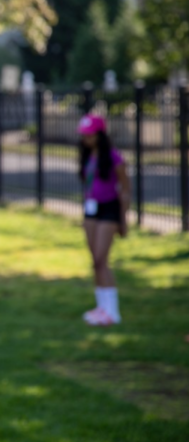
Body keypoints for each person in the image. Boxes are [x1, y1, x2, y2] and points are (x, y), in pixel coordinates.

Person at [78, 114, 130, 326]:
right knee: (94, 261)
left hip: (109, 210)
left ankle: (112, 311)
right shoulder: (88, 156)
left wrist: (123, 219)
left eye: (90, 135)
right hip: (91, 210)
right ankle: (101, 307)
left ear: (100, 135)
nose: (86, 139)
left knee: (101, 259)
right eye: (84, 136)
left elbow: (125, 189)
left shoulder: (114, 158)